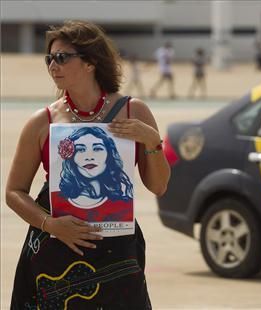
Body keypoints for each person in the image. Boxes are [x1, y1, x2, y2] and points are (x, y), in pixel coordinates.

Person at [5, 20, 170, 309]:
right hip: (55, 247)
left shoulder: (134, 111)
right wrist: (51, 225)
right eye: (49, 59)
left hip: (117, 249)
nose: (53, 66)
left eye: (62, 57)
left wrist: (152, 141)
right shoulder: (42, 122)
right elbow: (14, 192)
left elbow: (158, 185)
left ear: (91, 62)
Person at [51, 126, 133, 222]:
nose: (89, 157)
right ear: (71, 157)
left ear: (109, 155)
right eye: (80, 150)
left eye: (97, 149)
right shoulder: (55, 198)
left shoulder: (125, 205)